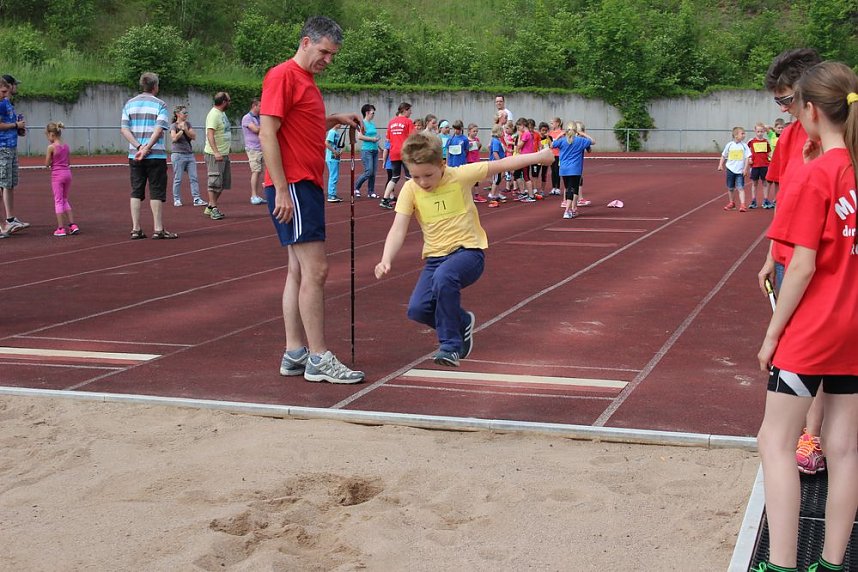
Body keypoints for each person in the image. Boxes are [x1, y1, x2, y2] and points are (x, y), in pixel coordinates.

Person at [754, 60, 858, 572]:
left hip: (814, 328)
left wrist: (772, 336)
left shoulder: (816, 174)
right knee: (845, 449)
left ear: (811, 110)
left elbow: (800, 266)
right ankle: (833, 565)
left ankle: (780, 565)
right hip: (854, 328)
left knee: (774, 441)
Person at [374, 132, 552, 366]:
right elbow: (398, 228)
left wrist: (540, 155)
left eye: (428, 175)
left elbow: (502, 164)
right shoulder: (410, 189)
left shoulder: (460, 176)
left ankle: (450, 346)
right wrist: (386, 258)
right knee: (418, 309)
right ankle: (461, 321)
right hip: (435, 259)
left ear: (442, 165)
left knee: (444, 278)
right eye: (416, 176)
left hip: (468, 253)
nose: (423, 182)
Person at [258, 15, 365, 384]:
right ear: (306, 42)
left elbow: (301, 126)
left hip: (305, 183)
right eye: (324, 51)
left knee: (298, 270)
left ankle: (295, 353)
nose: (328, 60)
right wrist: (282, 188)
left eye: (333, 54)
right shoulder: (283, 75)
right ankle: (318, 357)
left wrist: (334, 119)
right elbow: (267, 133)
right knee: (316, 270)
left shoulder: (307, 82)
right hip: (296, 184)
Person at [756, 48, 826, 476]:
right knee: (797, 350)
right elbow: (784, 202)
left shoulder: (839, 138)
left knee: (815, 351)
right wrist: (771, 254)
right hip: (788, 259)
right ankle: (806, 431)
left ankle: (812, 434)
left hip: (825, 260)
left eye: (786, 100)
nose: (782, 109)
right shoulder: (789, 138)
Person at [120, 72, 178, 240]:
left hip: (135, 155)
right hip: (156, 156)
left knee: (136, 191)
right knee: (156, 191)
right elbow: (159, 130)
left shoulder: (129, 104)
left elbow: (124, 129)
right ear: (155, 86)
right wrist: (147, 148)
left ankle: (136, 228)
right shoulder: (160, 104)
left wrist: (139, 147)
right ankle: (158, 229)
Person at [0, 74, 29, 236]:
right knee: (3, 184)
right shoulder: (1, 104)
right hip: (2, 147)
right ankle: (5, 223)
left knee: (9, 184)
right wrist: (15, 125)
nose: (6, 94)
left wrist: (18, 129)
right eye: (3, 91)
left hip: (10, 146)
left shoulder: (7, 103)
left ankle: (10, 219)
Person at [552, 122, 594, 219]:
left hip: (564, 169)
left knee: (570, 189)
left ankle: (573, 209)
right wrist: (583, 134)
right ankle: (567, 210)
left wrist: (560, 134)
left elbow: (552, 144)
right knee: (572, 189)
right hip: (575, 169)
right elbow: (592, 141)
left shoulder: (563, 140)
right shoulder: (580, 140)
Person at [44, 122, 78, 237]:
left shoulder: (51, 147)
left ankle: (61, 228)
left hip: (57, 176)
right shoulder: (66, 146)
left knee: (58, 201)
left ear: (51, 134)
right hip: (67, 174)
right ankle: (72, 225)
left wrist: (52, 161)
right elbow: (69, 162)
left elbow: (47, 163)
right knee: (64, 199)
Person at [380, 102, 414, 210]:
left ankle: (384, 199)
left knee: (395, 177)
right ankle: (409, 200)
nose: (411, 112)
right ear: (405, 110)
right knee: (409, 177)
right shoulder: (408, 122)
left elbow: (388, 138)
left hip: (394, 152)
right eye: (410, 110)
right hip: (405, 151)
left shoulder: (391, 122)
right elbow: (413, 138)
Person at [169, 105, 205, 207]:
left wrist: (185, 129)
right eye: (184, 113)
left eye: (186, 113)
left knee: (194, 178)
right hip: (178, 155)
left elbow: (193, 136)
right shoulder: (173, 126)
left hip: (189, 155)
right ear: (178, 114)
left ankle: (196, 198)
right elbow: (174, 138)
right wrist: (181, 131)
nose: (186, 114)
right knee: (178, 179)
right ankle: (176, 199)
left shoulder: (188, 124)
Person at [203, 91, 232, 220]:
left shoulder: (222, 113)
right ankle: (213, 208)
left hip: (224, 153)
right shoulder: (214, 114)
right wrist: (216, 152)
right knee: (214, 182)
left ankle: (210, 206)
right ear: (224, 102)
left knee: (222, 183)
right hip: (215, 154)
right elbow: (210, 134)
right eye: (229, 101)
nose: (230, 103)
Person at [717, 126, 751, 212]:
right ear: (736, 135)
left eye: (744, 133)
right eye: (742, 133)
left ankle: (743, 205)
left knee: (740, 188)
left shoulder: (744, 146)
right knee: (730, 188)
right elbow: (723, 155)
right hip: (730, 170)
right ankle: (731, 203)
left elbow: (747, 157)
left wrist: (745, 169)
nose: (744, 135)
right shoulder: (729, 145)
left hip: (740, 171)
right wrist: (720, 165)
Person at [241, 98, 266, 206]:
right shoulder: (247, 118)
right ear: (254, 106)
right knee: (256, 171)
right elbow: (255, 129)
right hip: (253, 149)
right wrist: (265, 126)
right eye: (260, 106)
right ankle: (254, 195)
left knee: (262, 171)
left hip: (262, 148)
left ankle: (258, 194)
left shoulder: (259, 118)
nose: (262, 108)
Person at [353, 103, 380, 198]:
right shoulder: (362, 123)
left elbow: (374, 136)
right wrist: (372, 139)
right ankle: (356, 187)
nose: (374, 114)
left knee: (373, 173)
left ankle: (371, 192)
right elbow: (360, 136)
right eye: (373, 112)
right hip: (367, 150)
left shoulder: (372, 124)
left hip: (375, 150)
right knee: (369, 171)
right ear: (367, 112)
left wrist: (379, 146)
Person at [748, 122, 773, 209]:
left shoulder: (766, 142)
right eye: (758, 131)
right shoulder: (751, 141)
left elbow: (769, 152)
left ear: (764, 132)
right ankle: (753, 200)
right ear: (755, 131)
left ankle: (765, 200)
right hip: (755, 166)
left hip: (764, 165)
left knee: (765, 183)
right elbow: (747, 151)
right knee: (754, 184)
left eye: (761, 131)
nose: (760, 133)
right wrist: (749, 158)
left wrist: (773, 159)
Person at [486, 124, 506, 208]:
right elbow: (495, 152)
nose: (503, 133)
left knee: (497, 179)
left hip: (495, 162)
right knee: (496, 179)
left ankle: (496, 194)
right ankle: (492, 195)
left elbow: (490, 148)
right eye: (502, 131)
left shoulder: (495, 140)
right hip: (496, 163)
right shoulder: (496, 141)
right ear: (498, 132)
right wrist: (500, 161)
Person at [466, 123, 486, 203]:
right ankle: (469, 195)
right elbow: (465, 150)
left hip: (476, 161)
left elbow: (478, 148)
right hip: (469, 161)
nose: (475, 133)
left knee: (476, 178)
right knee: (470, 179)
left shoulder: (477, 139)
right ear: (469, 131)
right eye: (474, 131)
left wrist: (479, 145)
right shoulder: (466, 140)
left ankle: (476, 195)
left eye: (476, 131)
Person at [325, 123, 343, 202]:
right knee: (333, 176)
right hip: (331, 157)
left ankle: (333, 194)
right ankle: (331, 195)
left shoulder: (336, 133)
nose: (341, 124)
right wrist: (334, 151)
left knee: (334, 176)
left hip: (335, 157)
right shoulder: (332, 132)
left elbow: (337, 145)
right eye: (339, 122)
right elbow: (327, 143)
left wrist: (339, 151)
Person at [547, 117, 563, 196]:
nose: (551, 125)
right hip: (552, 154)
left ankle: (558, 188)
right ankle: (553, 187)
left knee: (557, 171)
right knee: (553, 171)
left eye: (552, 123)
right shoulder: (550, 133)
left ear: (557, 123)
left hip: (558, 154)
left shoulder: (561, 133)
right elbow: (548, 143)